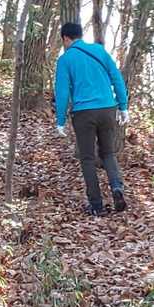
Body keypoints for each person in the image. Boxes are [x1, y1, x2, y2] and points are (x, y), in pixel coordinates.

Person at [53, 21, 129, 217]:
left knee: (87, 158)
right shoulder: (99, 51)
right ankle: (117, 187)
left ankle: (96, 204)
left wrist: (60, 121)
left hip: (83, 113)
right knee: (108, 153)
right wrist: (123, 106)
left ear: (65, 38)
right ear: (80, 35)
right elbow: (116, 78)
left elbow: (62, 92)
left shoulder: (65, 60)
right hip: (107, 108)